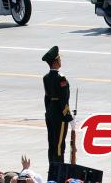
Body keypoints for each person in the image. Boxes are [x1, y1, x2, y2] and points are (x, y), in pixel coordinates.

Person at [41, 46, 73, 179]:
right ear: (55, 62)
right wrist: (68, 116)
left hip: (50, 113)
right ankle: (60, 173)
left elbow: (46, 98)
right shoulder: (61, 78)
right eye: (59, 59)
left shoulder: (45, 77)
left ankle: (52, 170)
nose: (60, 61)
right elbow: (64, 99)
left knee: (52, 143)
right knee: (60, 145)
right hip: (60, 115)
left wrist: (49, 112)